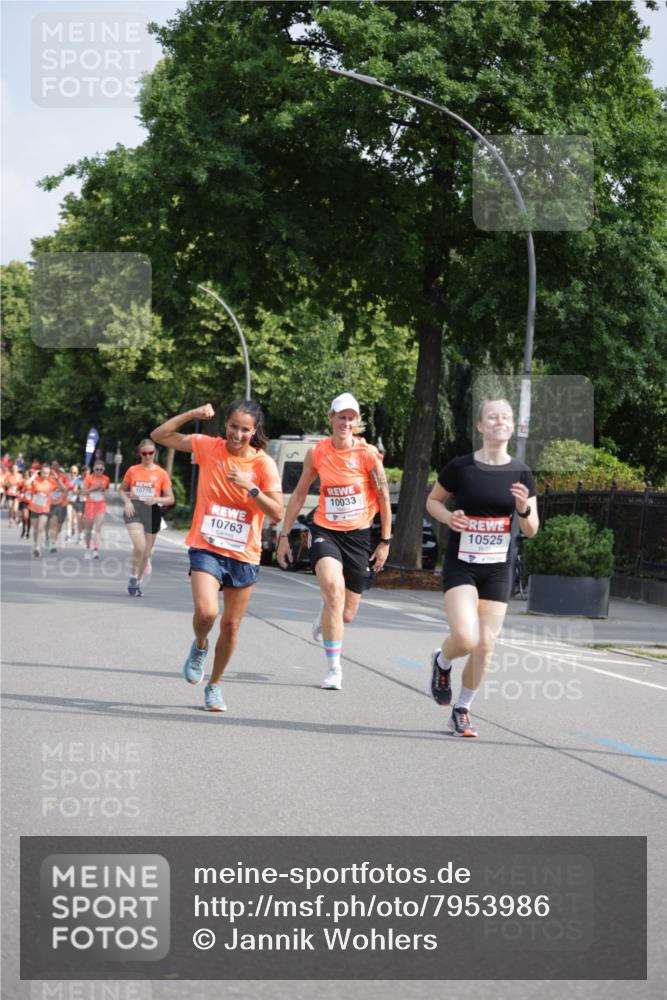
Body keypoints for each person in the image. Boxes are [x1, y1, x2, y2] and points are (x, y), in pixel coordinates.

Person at [151, 400, 282, 711]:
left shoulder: (263, 465)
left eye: (245, 429)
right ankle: (199, 646)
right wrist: (193, 414)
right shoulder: (208, 447)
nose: (238, 434)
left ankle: (215, 685)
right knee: (207, 613)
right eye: (233, 426)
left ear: (255, 431)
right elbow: (159, 435)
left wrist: (251, 489)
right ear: (226, 425)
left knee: (231, 626)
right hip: (207, 546)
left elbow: (277, 511)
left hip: (243, 553)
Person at [425, 398, 539, 737]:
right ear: (480, 426)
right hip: (462, 563)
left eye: (505, 417)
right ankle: (442, 661)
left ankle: (462, 709)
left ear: (513, 425)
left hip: (498, 567)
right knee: (464, 637)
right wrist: (449, 517)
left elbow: (532, 530)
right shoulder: (461, 467)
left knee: (486, 645)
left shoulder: (521, 473)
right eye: (492, 417)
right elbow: (432, 502)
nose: (498, 422)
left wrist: (522, 509)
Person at [276, 392, 392, 691]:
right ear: (331, 418)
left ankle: (326, 611)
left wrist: (385, 541)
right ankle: (334, 669)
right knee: (332, 588)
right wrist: (284, 535)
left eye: (351, 418)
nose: (346, 422)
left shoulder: (367, 455)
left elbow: (383, 497)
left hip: (359, 536)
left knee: (347, 613)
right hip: (325, 530)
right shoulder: (317, 453)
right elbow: (300, 494)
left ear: (357, 422)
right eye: (341, 417)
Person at [119, 440, 175, 596]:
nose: (147, 456)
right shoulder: (133, 470)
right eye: (144, 453)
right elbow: (122, 490)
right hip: (135, 510)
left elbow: (170, 499)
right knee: (140, 546)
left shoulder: (161, 473)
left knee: (147, 552)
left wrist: (157, 499)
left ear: (155, 453)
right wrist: (127, 502)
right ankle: (132, 577)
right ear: (140, 454)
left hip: (152, 512)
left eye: (150, 453)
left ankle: (137, 580)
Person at [81, 461, 110, 559]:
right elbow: (84, 492)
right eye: (97, 469)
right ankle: (88, 548)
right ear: (93, 469)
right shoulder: (89, 478)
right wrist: (94, 488)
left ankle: (96, 550)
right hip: (90, 505)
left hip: (101, 505)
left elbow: (107, 491)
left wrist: (105, 492)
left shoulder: (106, 479)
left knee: (98, 529)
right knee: (88, 530)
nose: (99, 471)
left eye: (101, 469)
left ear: (104, 470)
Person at [26, 463, 55, 556]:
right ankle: (36, 544)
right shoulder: (35, 480)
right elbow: (26, 485)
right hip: (34, 508)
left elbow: (63, 489)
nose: (45, 475)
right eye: (43, 473)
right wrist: (33, 475)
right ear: (40, 472)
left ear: (49, 473)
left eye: (47, 473)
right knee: (35, 529)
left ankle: (38, 547)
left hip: (44, 508)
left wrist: (57, 478)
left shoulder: (51, 482)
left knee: (40, 528)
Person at [47, 461, 71, 552]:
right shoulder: (48, 476)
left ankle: (54, 539)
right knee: (53, 523)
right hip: (51, 503)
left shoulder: (64, 476)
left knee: (59, 525)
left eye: (56, 464)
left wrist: (58, 480)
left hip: (62, 504)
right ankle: (53, 543)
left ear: (59, 466)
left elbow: (66, 489)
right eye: (53, 464)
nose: (54, 466)